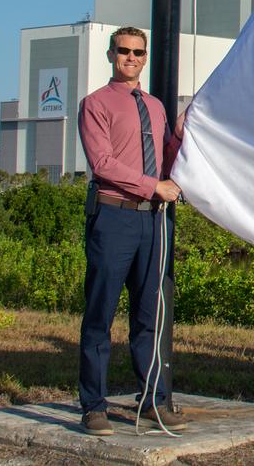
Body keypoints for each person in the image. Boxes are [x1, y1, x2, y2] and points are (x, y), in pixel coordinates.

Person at [77, 27, 187, 436]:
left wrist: (179, 135)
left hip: (153, 221)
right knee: (100, 314)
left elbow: (165, 160)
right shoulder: (96, 105)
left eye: (138, 52)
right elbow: (103, 163)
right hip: (115, 217)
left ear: (144, 58)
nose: (131, 57)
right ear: (111, 54)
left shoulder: (155, 107)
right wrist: (151, 186)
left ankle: (154, 400)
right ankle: (94, 406)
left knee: (150, 316)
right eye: (123, 51)